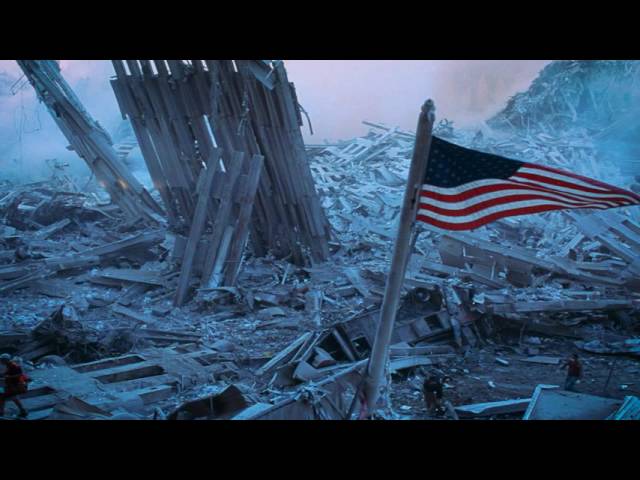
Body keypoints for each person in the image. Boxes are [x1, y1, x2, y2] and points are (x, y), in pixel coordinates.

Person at [0, 354, 29, 418]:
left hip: (14, 385)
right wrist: (3, 374)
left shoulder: (14, 365)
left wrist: (9, 377)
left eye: (1, 360)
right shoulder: (8, 365)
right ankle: (1, 412)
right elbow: (9, 373)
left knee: (10, 398)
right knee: (6, 398)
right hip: (10, 385)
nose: (1, 361)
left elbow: (20, 374)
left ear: (6, 360)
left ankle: (23, 410)